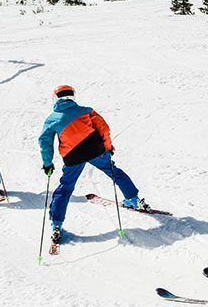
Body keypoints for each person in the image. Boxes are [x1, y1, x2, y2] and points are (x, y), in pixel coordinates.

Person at [39, 85, 146, 245]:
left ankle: (56, 224)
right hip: (95, 149)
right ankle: (134, 199)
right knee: (114, 172)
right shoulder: (86, 110)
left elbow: (44, 141)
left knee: (65, 188)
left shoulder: (52, 119)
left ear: (55, 99)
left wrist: (47, 164)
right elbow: (104, 129)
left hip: (73, 156)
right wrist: (108, 148)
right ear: (72, 97)